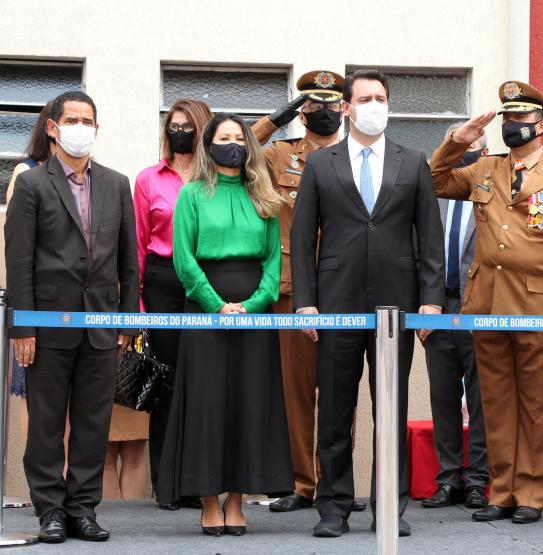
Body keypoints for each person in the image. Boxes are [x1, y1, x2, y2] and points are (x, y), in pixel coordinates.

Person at [290, 69, 444, 538]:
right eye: (365, 97)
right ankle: (333, 507)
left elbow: (430, 237)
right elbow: (302, 239)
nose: (374, 104)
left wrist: (432, 302)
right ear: (346, 107)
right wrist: (306, 303)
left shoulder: (413, 161)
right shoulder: (320, 163)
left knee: (389, 410)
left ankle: (388, 508)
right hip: (335, 303)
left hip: (396, 305)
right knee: (335, 410)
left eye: (381, 97)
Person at [431, 80, 543, 525]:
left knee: (537, 405)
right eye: (509, 118)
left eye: (522, 118)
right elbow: (434, 180)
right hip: (487, 304)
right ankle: (503, 490)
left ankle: (533, 492)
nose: (514, 125)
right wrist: (455, 142)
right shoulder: (485, 170)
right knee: (496, 404)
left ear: (542, 123)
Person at [5, 90, 140, 543]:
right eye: (73, 120)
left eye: (89, 120)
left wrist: (126, 320)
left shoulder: (117, 183)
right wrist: (21, 325)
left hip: (101, 324)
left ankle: (82, 508)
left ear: (97, 129)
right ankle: (50, 511)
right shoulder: (32, 183)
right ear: (53, 128)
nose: (81, 128)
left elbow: (128, 261)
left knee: (92, 422)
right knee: (46, 424)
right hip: (45, 326)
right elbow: (19, 261)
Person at [157, 112, 293, 537]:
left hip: (255, 315)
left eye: (239, 137)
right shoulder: (192, 195)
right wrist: (217, 306)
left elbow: (273, 261)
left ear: (248, 145)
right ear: (209, 145)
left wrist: (252, 306)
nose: (232, 143)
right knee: (207, 404)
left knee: (248, 403)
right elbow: (183, 260)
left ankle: (236, 500)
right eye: (224, 137)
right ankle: (208, 500)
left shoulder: (264, 195)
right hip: (204, 310)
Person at [249, 70, 363, 514]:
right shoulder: (280, 155)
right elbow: (237, 151)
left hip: (346, 287)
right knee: (295, 393)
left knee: (342, 393)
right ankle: (302, 484)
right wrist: (278, 119)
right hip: (293, 288)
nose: (324, 111)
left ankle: (338, 483)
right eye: (313, 104)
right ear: (303, 110)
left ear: (345, 107)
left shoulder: (358, 157)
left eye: (332, 102)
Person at [133, 98, 212, 509]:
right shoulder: (149, 178)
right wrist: (137, 306)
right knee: (166, 382)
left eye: (187, 126)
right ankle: (166, 484)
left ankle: (200, 483)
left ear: (202, 131)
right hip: (162, 282)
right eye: (173, 125)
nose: (179, 132)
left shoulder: (215, 178)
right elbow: (139, 247)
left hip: (204, 283)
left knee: (201, 382)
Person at [420, 123, 489, 510]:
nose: (465, 148)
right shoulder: (434, 193)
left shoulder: (490, 187)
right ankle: (448, 478)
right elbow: (419, 251)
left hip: (478, 307)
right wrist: (422, 304)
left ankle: (478, 479)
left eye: (472, 142)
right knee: (442, 397)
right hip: (438, 308)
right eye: (458, 142)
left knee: (481, 399)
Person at [5, 100, 57, 438]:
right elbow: (17, 248)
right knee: (34, 400)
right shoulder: (27, 173)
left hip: (74, 306)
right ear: (49, 127)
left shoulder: (90, 177)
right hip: (35, 306)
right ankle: (42, 488)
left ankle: (68, 486)